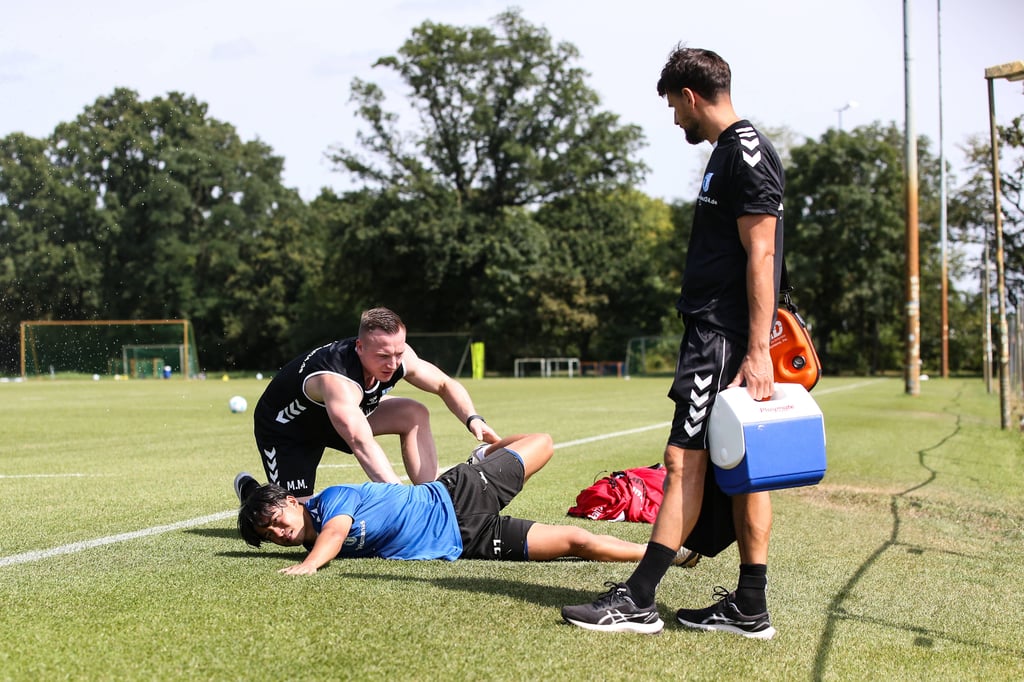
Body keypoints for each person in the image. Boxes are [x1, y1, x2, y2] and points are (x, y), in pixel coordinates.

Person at [561, 46, 784, 639]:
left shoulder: (745, 153)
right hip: (721, 333)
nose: (674, 120)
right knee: (745, 471)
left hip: (723, 337)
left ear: (690, 96)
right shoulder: (728, 152)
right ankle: (749, 606)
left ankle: (637, 600)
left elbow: (762, 254)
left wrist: (757, 351)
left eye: (673, 107)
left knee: (682, 462)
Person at [235, 433, 701, 574]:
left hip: (458, 494)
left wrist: (305, 567)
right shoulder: (301, 532)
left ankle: (488, 451)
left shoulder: (331, 501)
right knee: (577, 541)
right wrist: (254, 504)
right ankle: (672, 553)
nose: (278, 533)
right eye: (268, 535)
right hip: (469, 540)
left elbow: (334, 534)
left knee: (542, 443)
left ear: (294, 501)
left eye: (275, 520)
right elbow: (308, 533)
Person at [239, 307, 499, 500]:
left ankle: (430, 496)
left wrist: (473, 418)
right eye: (383, 356)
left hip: (342, 416)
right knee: (299, 525)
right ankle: (252, 493)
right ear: (360, 347)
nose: (393, 364)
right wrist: (403, 502)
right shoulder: (337, 379)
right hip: (290, 430)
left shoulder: (398, 357)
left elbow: (444, 384)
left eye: (398, 353)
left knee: (413, 412)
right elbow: (360, 441)